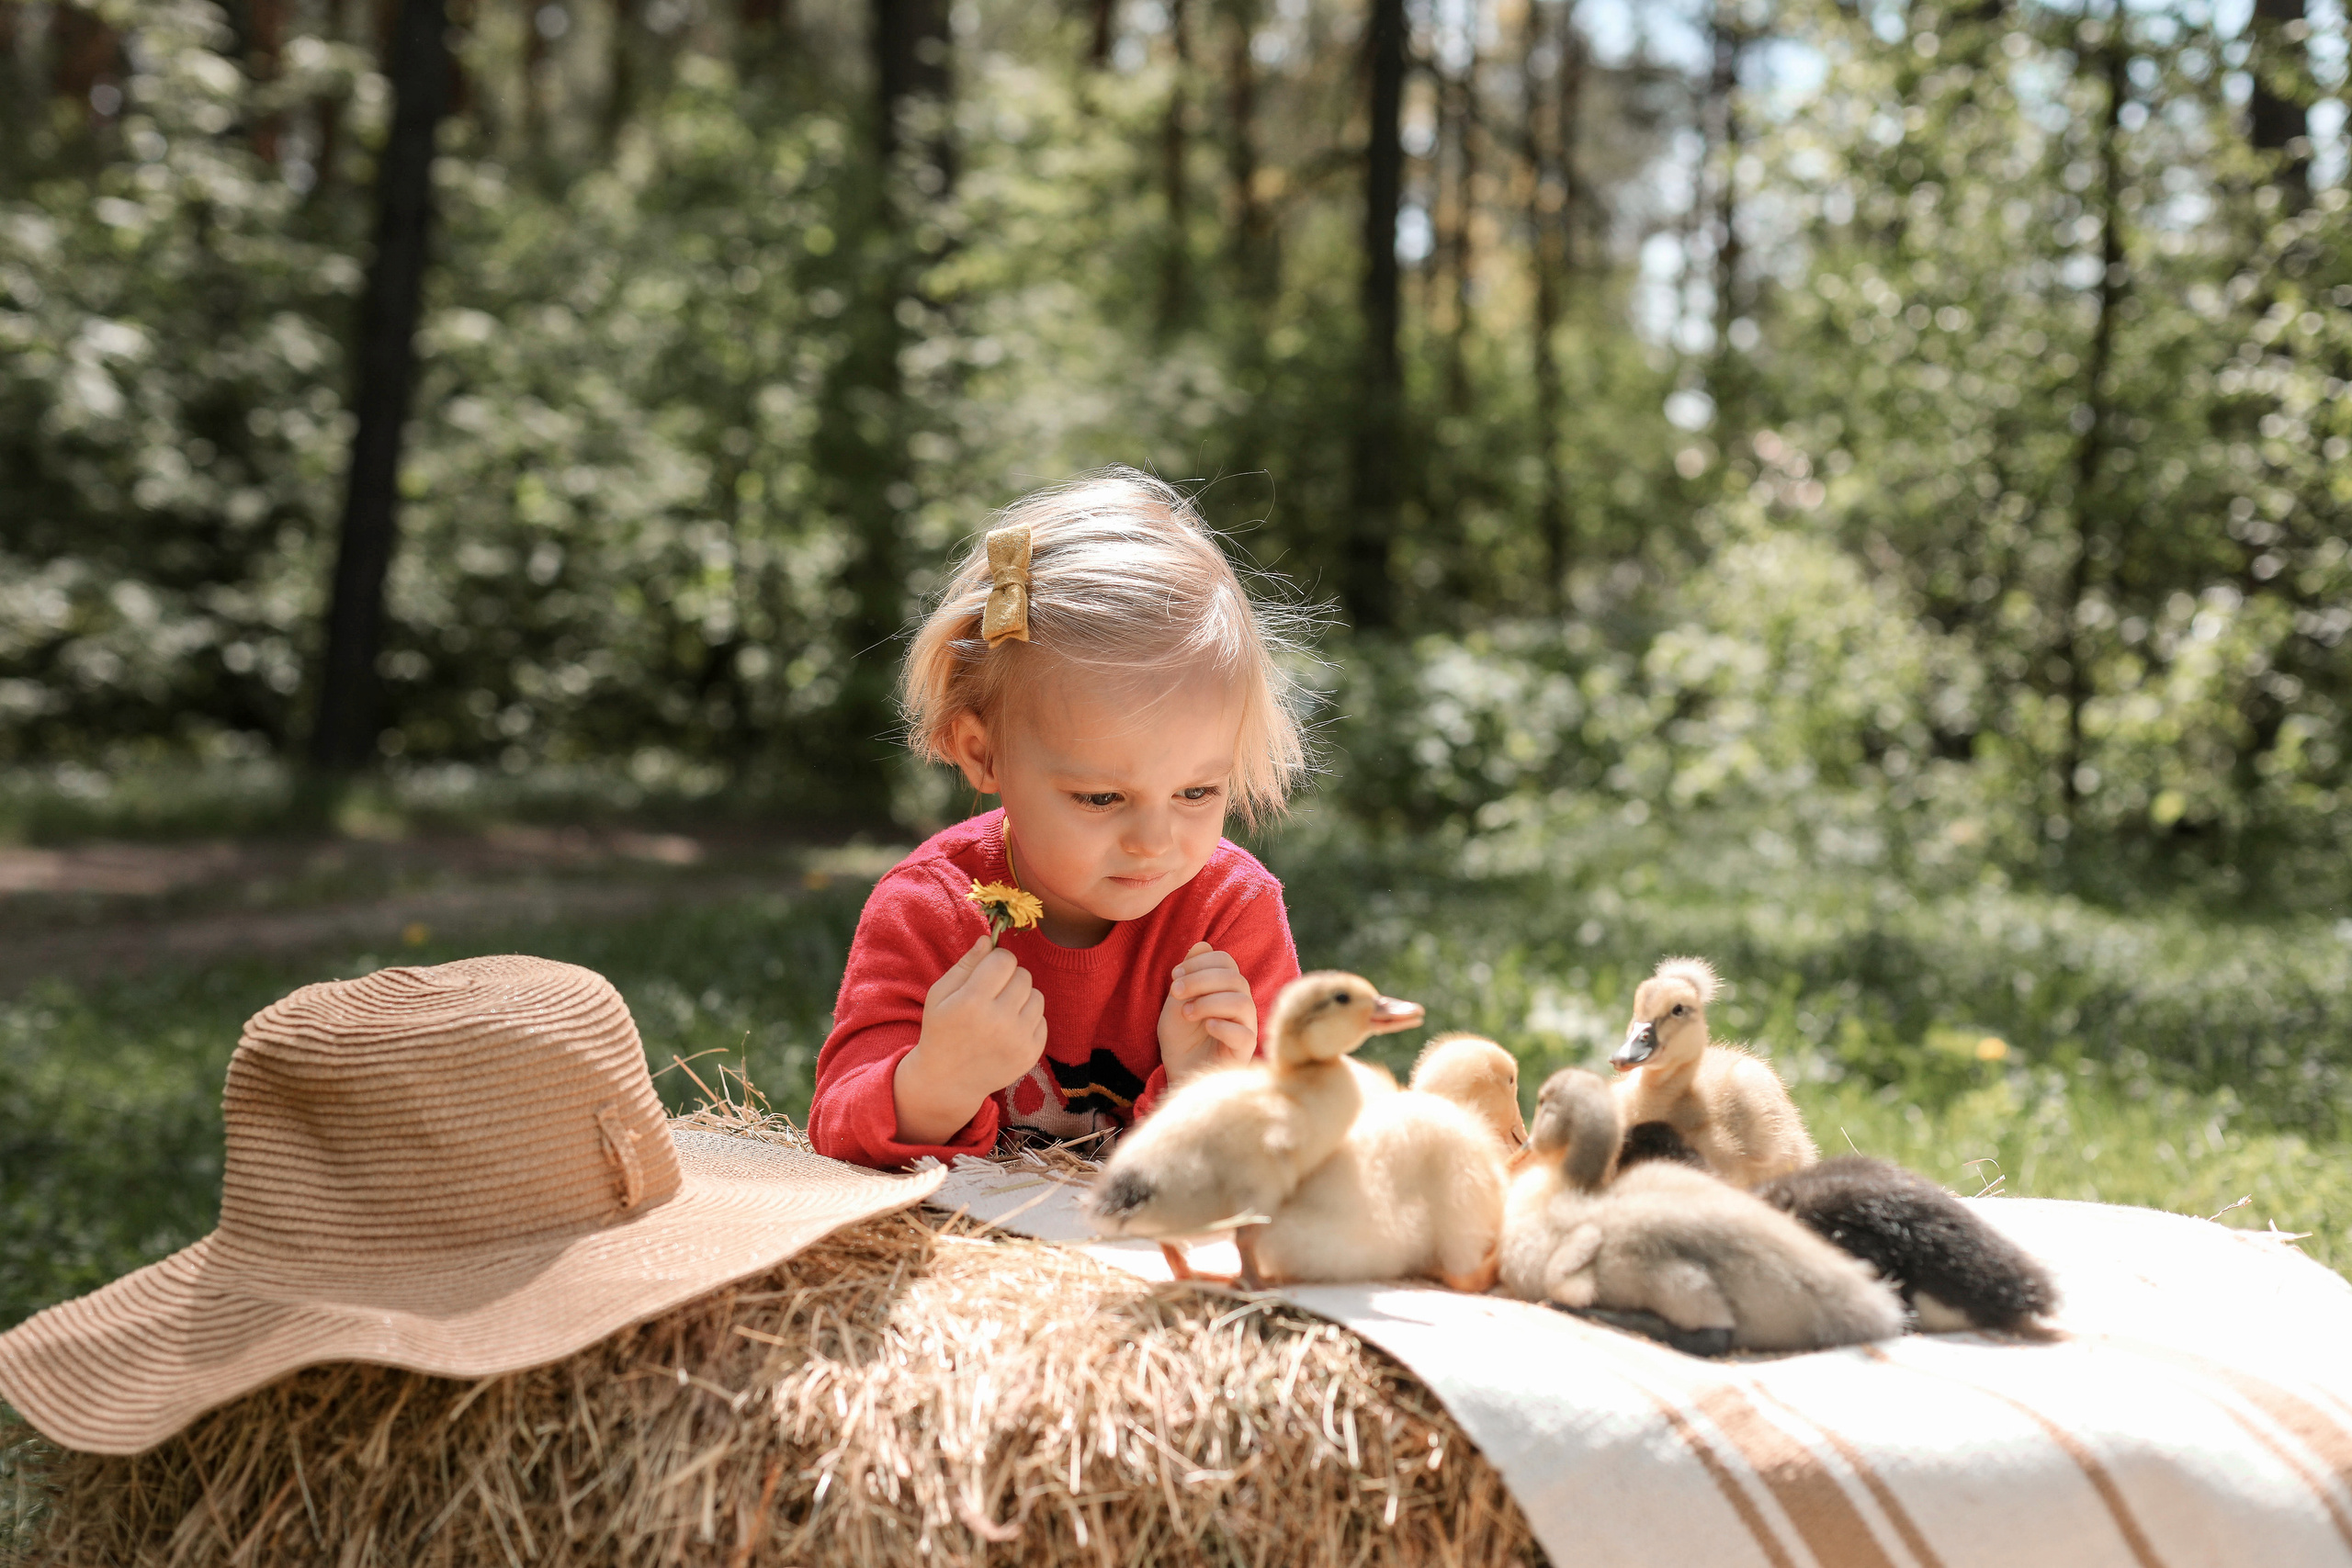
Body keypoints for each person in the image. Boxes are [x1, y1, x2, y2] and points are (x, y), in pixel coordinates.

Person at [808, 468, 1312, 1168]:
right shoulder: (929, 909)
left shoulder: (1229, 916)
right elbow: (837, 1131)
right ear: (984, 755)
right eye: (1102, 798)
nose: (1154, 841)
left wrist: (1206, 1088)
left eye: (1197, 792)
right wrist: (937, 1080)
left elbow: (1282, 1157)